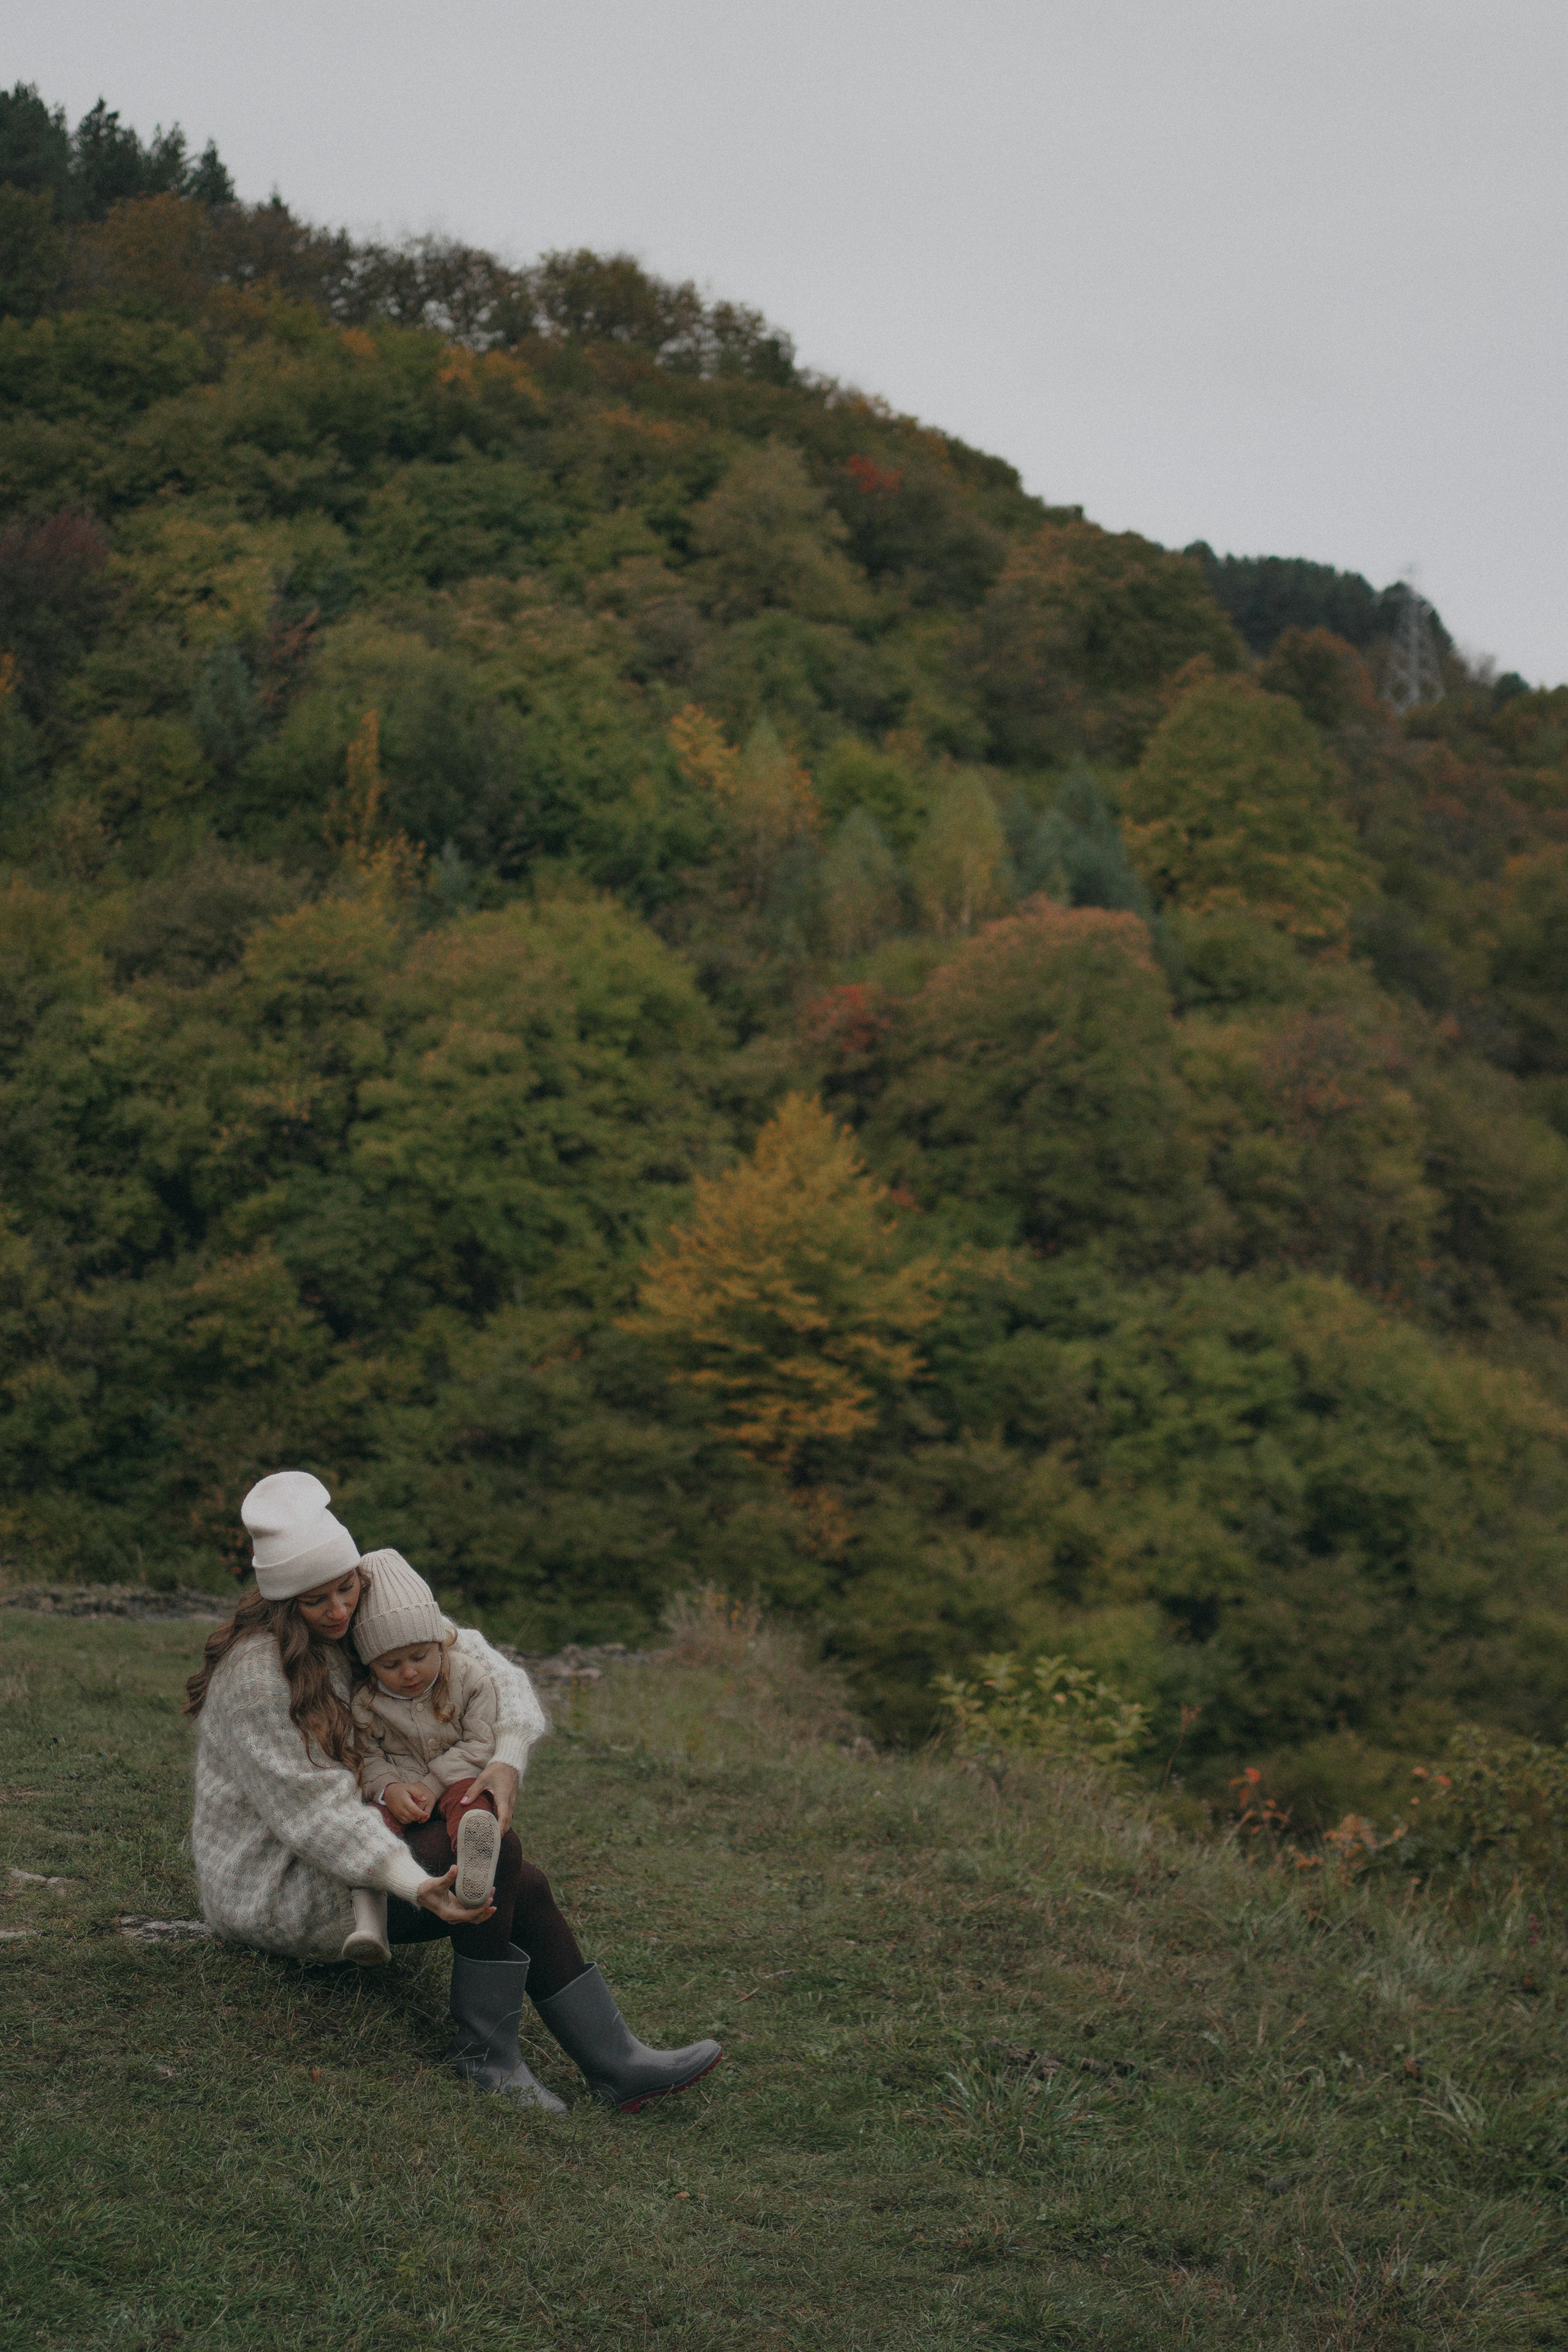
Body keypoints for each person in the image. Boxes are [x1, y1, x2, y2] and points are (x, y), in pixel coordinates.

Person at [185, 1469, 722, 2114]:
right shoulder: (256, 1677)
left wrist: (508, 1757)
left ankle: (617, 2065)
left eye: (346, 1588)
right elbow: (312, 1816)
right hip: (285, 1883)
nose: (338, 1611)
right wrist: (414, 1886)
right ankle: (487, 2060)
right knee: (495, 1854)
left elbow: (485, 1665)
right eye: (314, 1600)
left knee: (519, 1878)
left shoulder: (366, 1606)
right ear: (280, 1600)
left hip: (369, 1836)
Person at [341, 1549, 513, 1967]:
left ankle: (474, 1861)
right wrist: (389, 1788)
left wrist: (433, 1785)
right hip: (400, 1793)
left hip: (455, 1780)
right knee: (369, 1826)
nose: (409, 1673)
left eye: (419, 1656)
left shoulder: (468, 1678)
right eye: (390, 1664)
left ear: (440, 1641)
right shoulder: (367, 1701)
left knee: (473, 1800)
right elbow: (365, 1754)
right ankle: (369, 1923)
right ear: (370, 1664)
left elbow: (480, 1744)